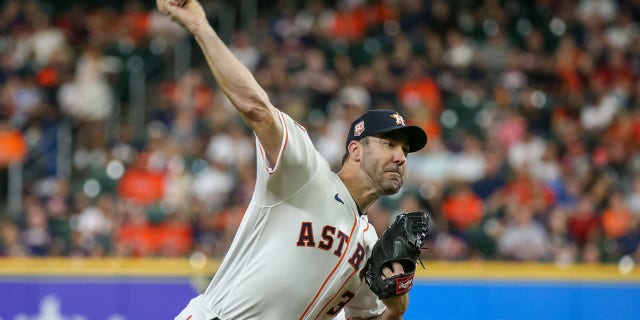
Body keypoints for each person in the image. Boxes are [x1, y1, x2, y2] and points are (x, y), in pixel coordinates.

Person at [156, 1, 428, 319]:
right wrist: (201, 27)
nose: (399, 157)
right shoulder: (306, 174)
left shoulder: (370, 245)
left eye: (405, 152)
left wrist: (396, 306)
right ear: (356, 150)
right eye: (389, 144)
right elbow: (256, 107)